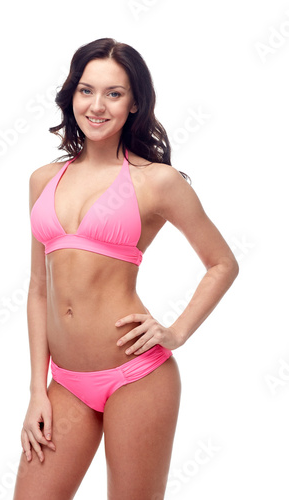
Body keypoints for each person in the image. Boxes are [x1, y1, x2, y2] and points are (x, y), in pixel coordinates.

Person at [12, 38, 239, 500]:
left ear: (134, 102)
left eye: (113, 93)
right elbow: (39, 289)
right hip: (67, 384)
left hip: (136, 377)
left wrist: (175, 333)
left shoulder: (156, 181)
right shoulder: (42, 180)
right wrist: (39, 388)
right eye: (86, 90)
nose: (97, 105)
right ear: (70, 95)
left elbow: (222, 263)